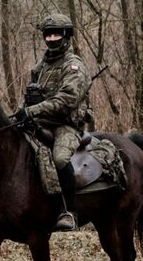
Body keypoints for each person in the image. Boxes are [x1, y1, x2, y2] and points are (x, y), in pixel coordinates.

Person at [12, 13, 90, 232]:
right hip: (40, 121)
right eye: (49, 34)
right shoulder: (41, 66)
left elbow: (67, 100)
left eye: (57, 34)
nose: (52, 38)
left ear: (66, 36)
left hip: (66, 125)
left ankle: (69, 212)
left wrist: (32, 110)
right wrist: (23, 111)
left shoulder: (74, 66)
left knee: (60, 157)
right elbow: (31, 96)